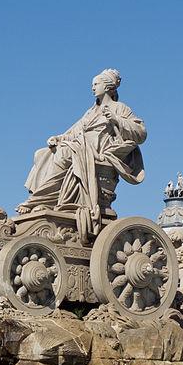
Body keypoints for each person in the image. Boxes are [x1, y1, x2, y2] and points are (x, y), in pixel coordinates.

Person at [18, 69, 147, 241]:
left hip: (96, 152)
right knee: (42, 153)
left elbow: (141, 133)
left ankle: (37, 200)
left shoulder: (120, 108)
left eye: (96, 84)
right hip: (80, 147)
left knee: (64, 153)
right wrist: (59, 138)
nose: (93, 87)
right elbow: (74, 131)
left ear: (107, 86)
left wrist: (117, 120)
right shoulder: (90, 112)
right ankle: (43, 201)